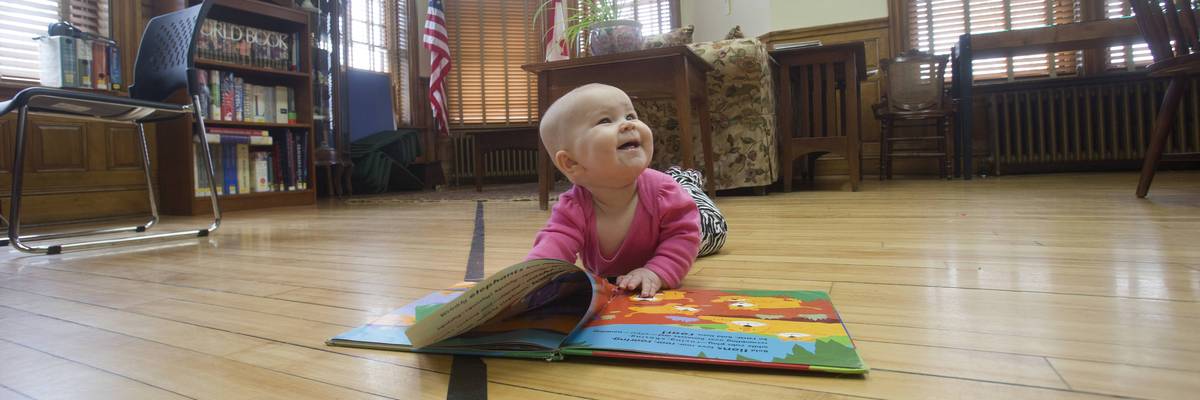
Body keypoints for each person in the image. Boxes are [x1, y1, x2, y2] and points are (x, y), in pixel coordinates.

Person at [526, 83, 725, 297]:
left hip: (701, 224)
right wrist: (532, 281)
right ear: (571, 162)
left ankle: (688, 180)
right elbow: (554, 244)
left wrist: (657, 271)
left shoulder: (665, 192)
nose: (628, 125)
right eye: (605, 120)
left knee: (706, 226)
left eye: (630, 116)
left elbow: (684, 235)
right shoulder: (573, 207)